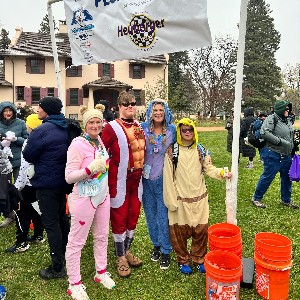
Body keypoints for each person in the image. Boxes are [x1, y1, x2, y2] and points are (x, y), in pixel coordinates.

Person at [163, 118, 232, 275]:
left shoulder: (201, 150)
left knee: (201, 231)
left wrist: (222, 173)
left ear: (194, 131)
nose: (187, 133)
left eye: (190, 130)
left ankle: (199, 258)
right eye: (184, 130)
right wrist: (171, 201)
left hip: (199, 198)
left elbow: (208, 168)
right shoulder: (171, 152)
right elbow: (168, 177)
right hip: (179, 200)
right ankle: (183, 259)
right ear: (179, 132)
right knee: (178, 233)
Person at [65, 104, 116, 300]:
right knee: (77, 242)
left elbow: (102, 168)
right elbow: (69, 177)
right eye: (91, 122)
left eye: (98, 121)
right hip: (84, 199)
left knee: (102, 236)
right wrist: (88, 170)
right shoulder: (77, 144)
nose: (95, 125)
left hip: (102, 196)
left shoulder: (100, 141)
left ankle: (100, 272)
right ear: (85, 125)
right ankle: (74, 283)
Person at [23, 96, 70, 279]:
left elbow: (28, 155)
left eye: (40, 107)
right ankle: (67, 252)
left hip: (46, 183)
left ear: (47, 110)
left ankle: (57, 267)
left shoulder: (41, 131)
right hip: (64, 181)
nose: (37, 110)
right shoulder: (68, 126)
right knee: (62, 218)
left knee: (51, 224)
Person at [101, 91, 145, 278]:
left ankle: (126, 250)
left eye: (133, 103)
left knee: (133, 216)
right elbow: (101, 150)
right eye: (126, 104)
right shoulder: (111, 127)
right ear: (119, 106)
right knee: (119, 216)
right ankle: (120, 257)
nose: (130, 107)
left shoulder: (138, 126)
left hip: (138, 179)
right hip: (119, 180)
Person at [141, 99, 176, 270]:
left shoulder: (172, 130)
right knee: (150, 213)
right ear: (150, 111)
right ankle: (156, 244)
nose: (158, 113)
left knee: (163, 215)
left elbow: (187, 140)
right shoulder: (142, 128)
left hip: (164, 178)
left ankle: (166, 250)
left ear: (166, 112)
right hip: (145, 178)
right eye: (155, 109)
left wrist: (200, 148)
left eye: (161, 109)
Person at [5, 114, 44, 254]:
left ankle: (21, 242)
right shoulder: (45, 139)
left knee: (21, 212)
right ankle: (39, 235)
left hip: (27, 183)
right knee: (36, 208)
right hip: (39, 183)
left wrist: (18, 186)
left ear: (30, 126)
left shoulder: (29, 142)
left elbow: (24, 167)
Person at [252, 100, 299, 209]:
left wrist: (294, 141)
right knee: (268, 176)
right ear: (280, 109)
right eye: (286, 108)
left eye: (288, 108)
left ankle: (286, 200)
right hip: (273, 154)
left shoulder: (286, 120)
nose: (288, 110)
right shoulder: (272, 118)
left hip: (287, 155)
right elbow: (265, 132)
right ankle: (256, 198)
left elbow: (287, 133)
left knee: (287, 178)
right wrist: (280, 141)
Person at [0, 101, 28, 228]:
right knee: (4, 189)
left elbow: (27, 140)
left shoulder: (20, 123)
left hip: (17, 160)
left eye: (10, 111)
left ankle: (20, 213)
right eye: (5, 111)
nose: (8, 113)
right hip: (3, 162)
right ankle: (9, 215)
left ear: (14, 112)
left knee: (19, 188)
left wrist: (16, 139)